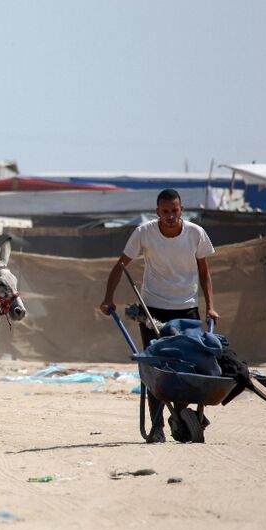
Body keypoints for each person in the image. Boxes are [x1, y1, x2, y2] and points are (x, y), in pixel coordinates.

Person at [99, 188, 218, 442]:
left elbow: (204, 272)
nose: (170, 216)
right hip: (152, 308)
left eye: (175, 211)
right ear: (157, 212)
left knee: (190, 366)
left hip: (186, 308)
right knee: (156, 367)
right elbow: (120, 265)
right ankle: (157, 428)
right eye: (165, 212)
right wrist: (108, 298)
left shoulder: (196, 233)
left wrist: (210, 306)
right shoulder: (144, 232)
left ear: (181, 210)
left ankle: (185, 416)